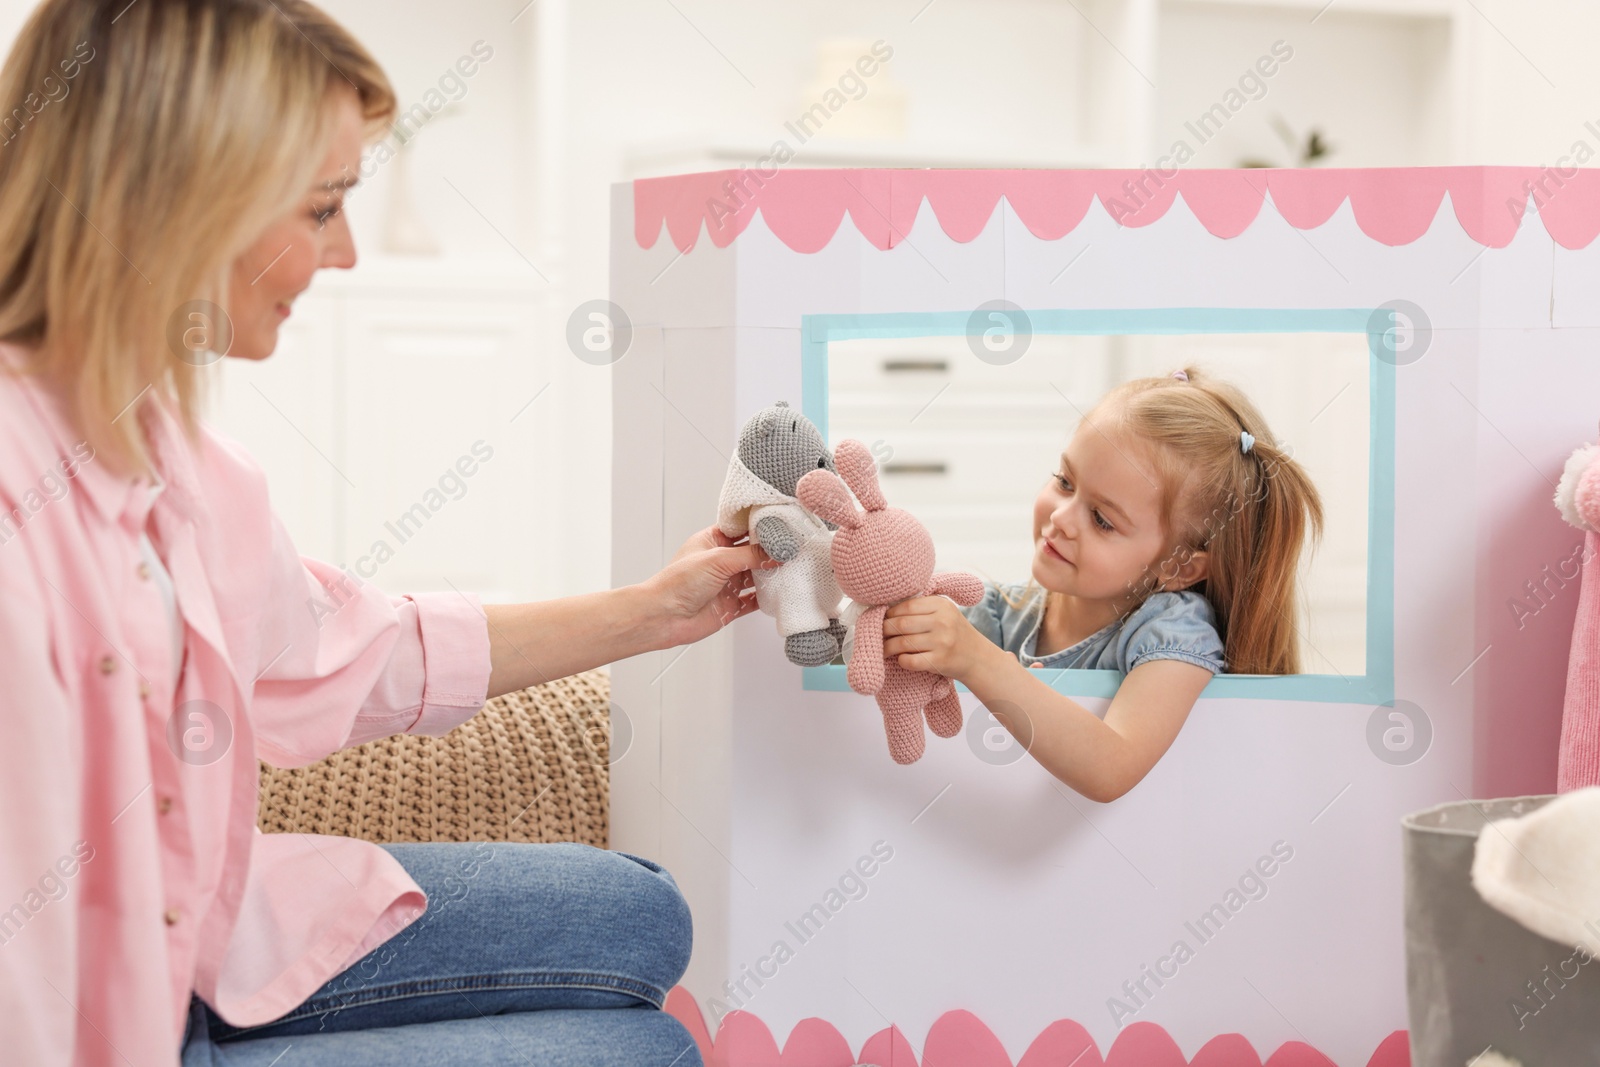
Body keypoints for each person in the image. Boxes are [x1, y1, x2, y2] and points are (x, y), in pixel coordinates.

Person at [0, 2, 770, 1064]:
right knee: (646, 1050)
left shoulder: (182, 464)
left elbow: (353, 648)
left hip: (196, 931)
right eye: (322, 207)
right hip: (111, 1026)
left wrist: (655, 610)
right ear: (181, 198)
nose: (348, 252)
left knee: (643, 912)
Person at [880, 366, 1325, 803]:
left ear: (1181, 567)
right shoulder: (1001, 612)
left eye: (1101, 519)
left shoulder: (1174, 630)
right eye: (1065, 481)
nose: (1060, 518)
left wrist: (979, 662)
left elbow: (1112, 768)